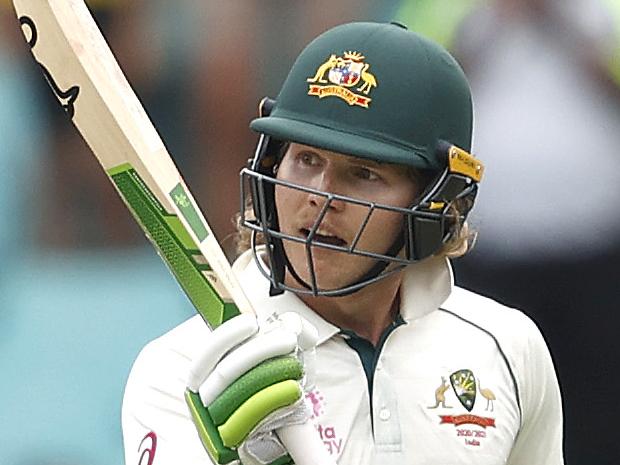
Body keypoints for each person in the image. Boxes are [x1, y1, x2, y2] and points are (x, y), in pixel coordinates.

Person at [122, 22, 564, 465]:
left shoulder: (506, 347)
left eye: (364, 174)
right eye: (306, 159)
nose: (320, 195)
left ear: (438, 202)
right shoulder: (185, 369)